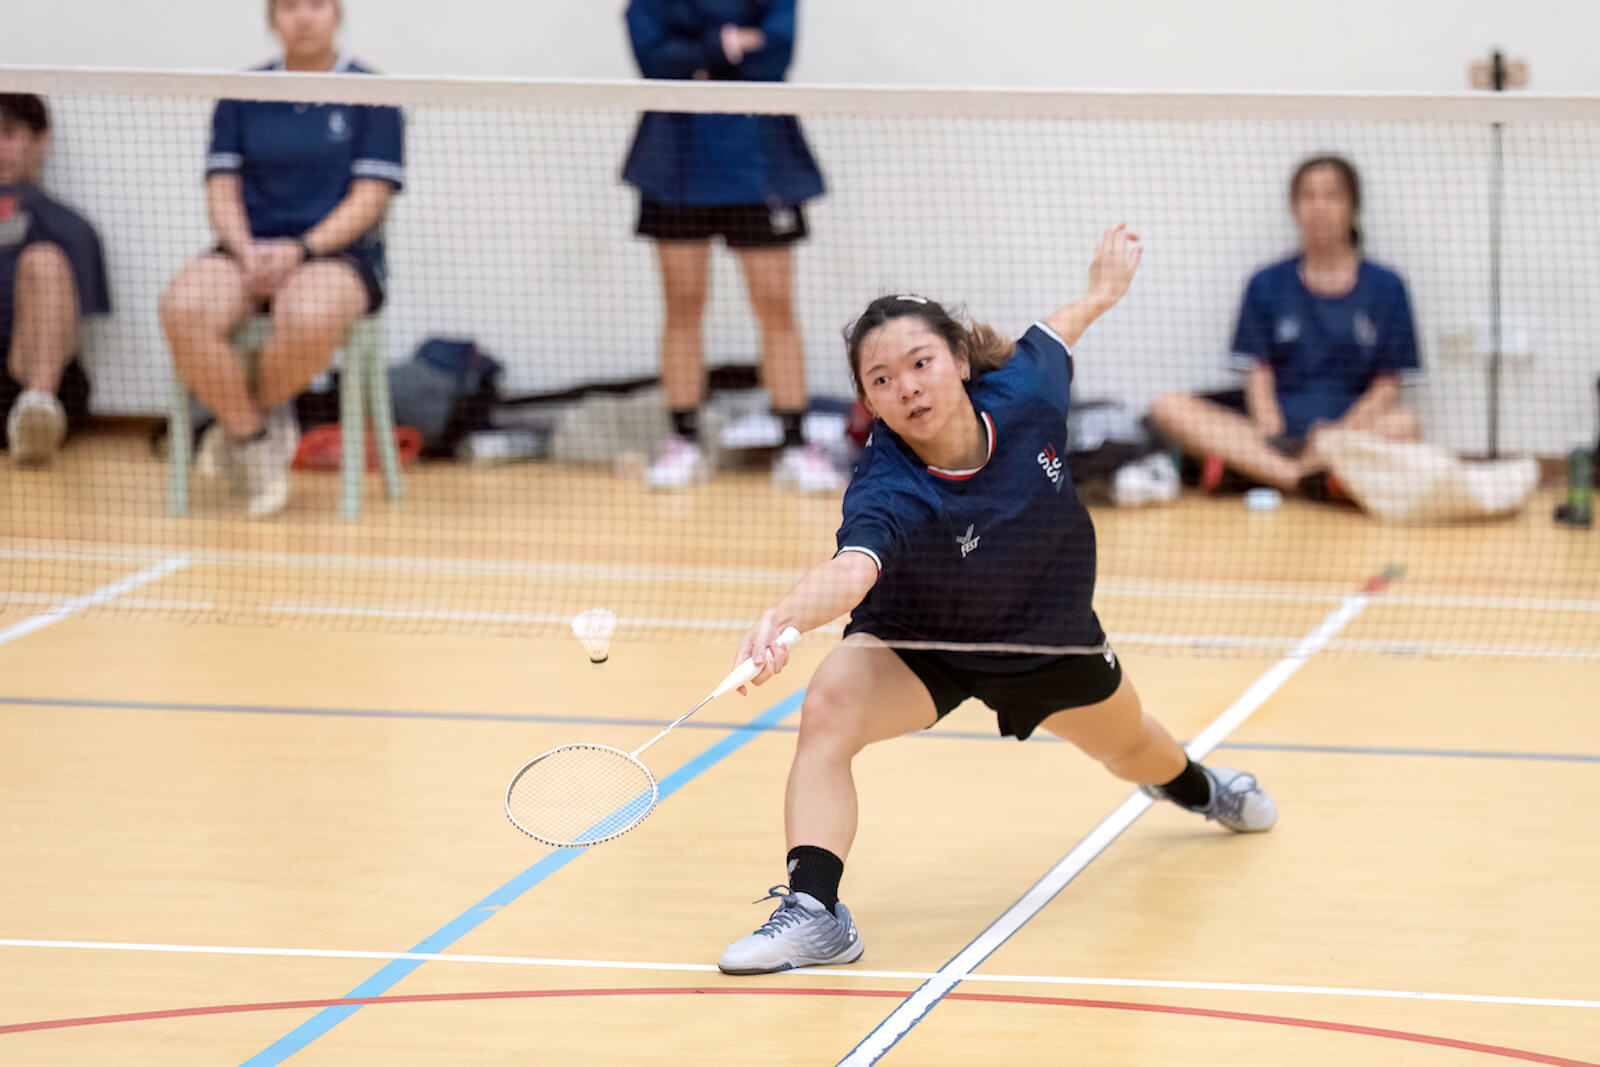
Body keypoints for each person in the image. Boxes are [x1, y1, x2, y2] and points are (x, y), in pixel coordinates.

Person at [715, 226, 1278, 976]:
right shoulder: (889, 484)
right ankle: (816, 911)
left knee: (1133, 746)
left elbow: (1056, 329)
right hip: (921, 641)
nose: (907, 386)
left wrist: (1103, 292)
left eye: (920, 363)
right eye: (881, 379)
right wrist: (782, 615)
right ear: (868, 399)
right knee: (827, 708)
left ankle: (1201, 787)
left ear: (957, 359)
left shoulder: (1026, 391)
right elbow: (853, 568)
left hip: (1047, 639)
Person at [159, 0, 403, 517]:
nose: (303, 17)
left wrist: (304, 248)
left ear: (336, 13)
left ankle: (243, 424)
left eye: (316, 4)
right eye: (289, 6)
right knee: (183, 307)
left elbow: (370, 198)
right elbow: (221, 189)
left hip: (336, 255)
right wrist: (247, 249)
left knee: (309, 314)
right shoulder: (242, 93)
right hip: (248, 250)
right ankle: (253, 439)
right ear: (273, 18)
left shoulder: (372, 94)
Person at [622, 0, 841, 493]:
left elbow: (774, 55)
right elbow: (653, 59)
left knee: (776, 305)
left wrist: (698, 54)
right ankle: (683, 441)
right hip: (675, 160)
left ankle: (794, 444)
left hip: (759, 159)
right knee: (682, 305)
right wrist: (728, 43)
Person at [1148, 155, 1421, 497]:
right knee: (1168, 406)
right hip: (1272, 432)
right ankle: (1300, 479)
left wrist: (1337, 433)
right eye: (1308, 196)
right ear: (1294, 207)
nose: (1319, 207)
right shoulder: (1266, 283)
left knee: (1406, 426)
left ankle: (1261, 473)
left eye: (1332, 195)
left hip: (1344, 434)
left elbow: (1387, 386)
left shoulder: (1387, 287)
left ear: (1353, 207)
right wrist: (1271, 431)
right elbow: (1258, 371)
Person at [0, 93, 110, 469]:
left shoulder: (70, 229)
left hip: (29, 381)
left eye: (8, 134)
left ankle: (36, 412)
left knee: (44, 259)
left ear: (41, 139)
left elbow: (69, 332)